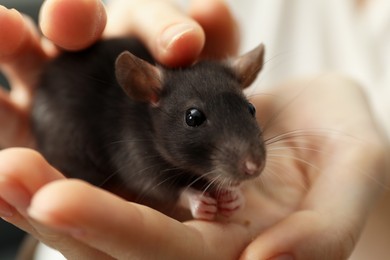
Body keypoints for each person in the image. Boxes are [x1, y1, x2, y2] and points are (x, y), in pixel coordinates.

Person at [0, 0, 388, 259]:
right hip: (70, 131)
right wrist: (189, 197)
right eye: (194, 119)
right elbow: (146, 176)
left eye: (248, 110)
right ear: (150, 95)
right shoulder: (143, 129)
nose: (252, 162)